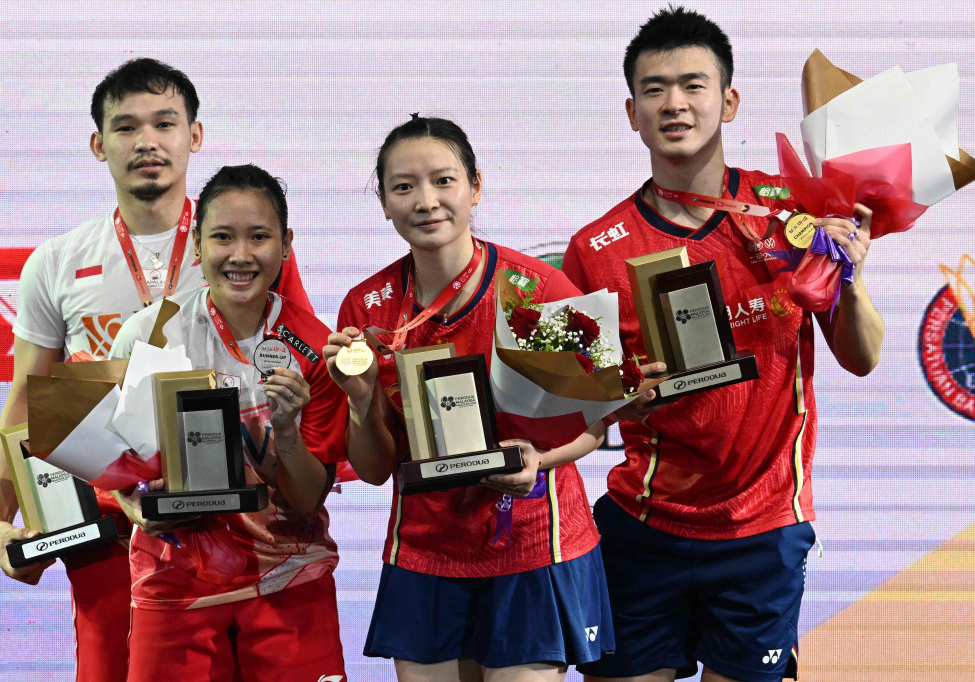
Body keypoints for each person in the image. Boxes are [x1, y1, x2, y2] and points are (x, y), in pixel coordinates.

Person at [563, 8, 884, 682]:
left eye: (693, 85)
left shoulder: (794, 213)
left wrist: (849, 278)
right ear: (631, 112)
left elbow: (861, 358)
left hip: (763, 529)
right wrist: (625, 398)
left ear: (729, 102)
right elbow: (580, 407)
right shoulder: (595, 250)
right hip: (645, 526)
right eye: (654, 89)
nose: (674, 104)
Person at [0, 58, 313, 682]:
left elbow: (289, 374)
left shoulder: (241, 244)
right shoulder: (56, 262)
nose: (147, 141)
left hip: (240, 523)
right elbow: (29, 396)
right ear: (98, 144)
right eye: (126, 126)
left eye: (165, 123)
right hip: (108, 529)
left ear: (195, 135)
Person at [324, 115, 615, 681]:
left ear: (475, 187)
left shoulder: (537, 290)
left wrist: (539, 459)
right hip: (426, 552)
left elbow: (596, 422)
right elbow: (375, 470)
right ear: (383, 202)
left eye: (444, 181)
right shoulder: (368, 308)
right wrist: (359, 400)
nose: (426, 201)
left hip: (532, 544)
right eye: (403, 186)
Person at [109, 164, 347, 681]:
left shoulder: (313, 345)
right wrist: (135, 506)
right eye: (222, 237)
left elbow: (308, 500)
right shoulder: (149, 335)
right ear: (197, 244)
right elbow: (114, 463)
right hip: (175, 585)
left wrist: (287, 431)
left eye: (259, 237)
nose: (241, 255)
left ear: (286, 245)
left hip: (290, 581)